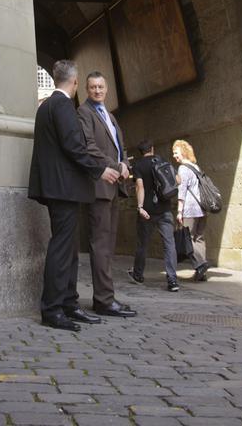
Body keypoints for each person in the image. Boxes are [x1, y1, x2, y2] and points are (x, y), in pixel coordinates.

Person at [28, 60, 120, 331]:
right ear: (76, 82)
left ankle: (68, 303)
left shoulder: (47, 106)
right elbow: (74, 147)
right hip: (64, 189)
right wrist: (100, 169)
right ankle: (53, 309)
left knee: (67, 249)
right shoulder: (62, 105)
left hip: (59, 188)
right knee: (61, 249)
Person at [77, 72, 136, 317]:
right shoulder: (84, 113)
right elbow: (89, 146)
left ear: (107, 88)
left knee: (108, 246)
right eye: (92, 87)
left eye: (101, 86)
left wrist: (125, 166)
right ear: (86, 89)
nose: (97, 91)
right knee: (100, 246)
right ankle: (103, 300)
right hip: (99, 187)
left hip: (115, 186)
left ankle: (108, 296)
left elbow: (120, 149)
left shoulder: (109, 116)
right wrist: (114, 165)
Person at [129, 140, 179, 292]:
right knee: (169, 244)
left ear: (141, 152)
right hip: (165, 209)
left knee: (143, 244)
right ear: (152, 149)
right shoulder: (162, 160)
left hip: (148, 211)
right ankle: (172, 280)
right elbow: (178, 180)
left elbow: (140, 187)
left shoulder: (138, 165)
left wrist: (140, 207)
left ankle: (138, 275)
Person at [172, 139, 209, 282]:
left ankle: (200, 265)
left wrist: (179, 211)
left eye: (176, 153)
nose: (175, 156)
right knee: (199, 238)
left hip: (190, 209)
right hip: (203, 208)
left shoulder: (183, 169)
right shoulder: (196, 167)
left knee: (187, 238)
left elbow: (182, 192)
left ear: (183, 152)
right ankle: (201, 271)